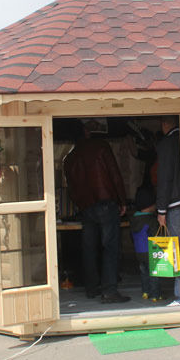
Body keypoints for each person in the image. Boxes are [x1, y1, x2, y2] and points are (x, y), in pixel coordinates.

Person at [63, 123, 130, 304]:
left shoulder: (69, 159)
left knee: (89, 248)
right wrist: (122, 200)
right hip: (106, 203)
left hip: (86, 207)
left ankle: (91, 288)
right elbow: (115, 175)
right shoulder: (100, 146)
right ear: (86, 132)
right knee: (110, 247)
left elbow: (71, 189)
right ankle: (109, 291)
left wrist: (80, 205)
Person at [155, 115, 180, 307]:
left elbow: (164, 178)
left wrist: (161, 210)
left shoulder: (167, 143)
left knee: (178, 250)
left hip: (175, 205)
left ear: (165, 124)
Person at [129, 185, 161, 302]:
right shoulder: (151, 220)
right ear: (150, 205)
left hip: (139, 252)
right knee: (154, 273)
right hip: (150, 252)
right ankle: (155, 294)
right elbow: (156, 236)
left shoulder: (133, 219)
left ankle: (145, 292)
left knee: (143, 272)